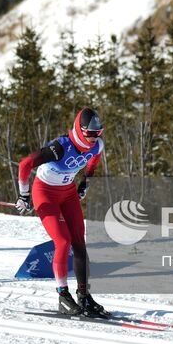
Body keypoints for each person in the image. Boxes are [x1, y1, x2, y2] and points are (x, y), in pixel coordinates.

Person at [16, 107, 107, 317]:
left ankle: (84, 296)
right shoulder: (60, 147)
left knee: (79, 242)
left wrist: (85, 182)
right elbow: (25, 164)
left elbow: (94, 159)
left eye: (98, 133)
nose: (94, 138)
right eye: (91, 134)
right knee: (63, 241)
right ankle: (63, 296)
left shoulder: (97, 145)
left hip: (68, 193)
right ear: (80, 129)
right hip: (44, 193)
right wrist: (23, 195)